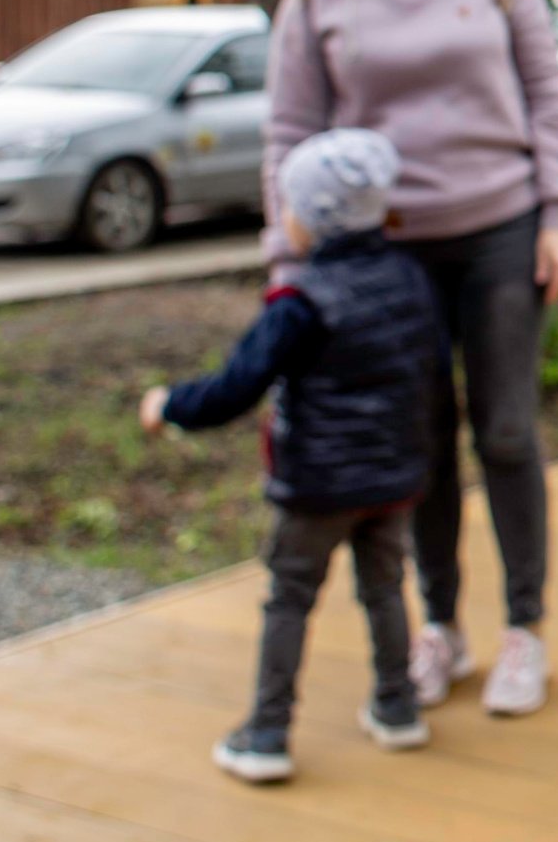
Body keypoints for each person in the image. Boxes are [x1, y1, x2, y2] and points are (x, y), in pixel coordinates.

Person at [267, 0, 558, 720]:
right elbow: (289, 133)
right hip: (382, 257)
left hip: (500, 230)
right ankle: (441, 625)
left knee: (506, 431)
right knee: (422, 444)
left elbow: (547, 97)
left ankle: (524, 626)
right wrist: (284, 267)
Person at [140, 128, 444, 784]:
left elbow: (236, 385)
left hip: (317, 486)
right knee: (385, 586)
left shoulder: (298, 303)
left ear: (316, 217)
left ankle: (266, 734)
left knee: (290, 597)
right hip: (394, 476)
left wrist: (170, 404)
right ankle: (397, 707)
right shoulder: (410, 277)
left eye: (290, 207)